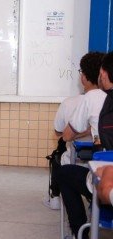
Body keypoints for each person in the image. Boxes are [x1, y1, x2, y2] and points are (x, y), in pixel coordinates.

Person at [59, 52, 108, 239]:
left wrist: (87, 131)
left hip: (104, 177)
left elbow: (66, 135)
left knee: (64, 173)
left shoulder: (93, 97)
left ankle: (82, 233)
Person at [43, 53, 99, 210]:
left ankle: (56, 197)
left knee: (60, 158)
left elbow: (60, 133)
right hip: (104, 164)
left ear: (83, 77)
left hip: (81, 164)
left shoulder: (71, 103)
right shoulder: (106, 101)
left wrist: (83, 131)